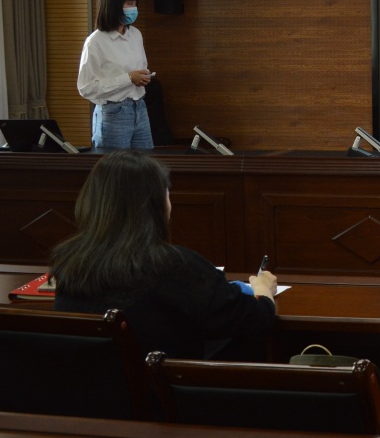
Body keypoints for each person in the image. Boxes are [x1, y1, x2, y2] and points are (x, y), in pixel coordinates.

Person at [52, 151, 277, 358]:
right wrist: (263, 290)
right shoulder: (174, 265)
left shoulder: (68, 263)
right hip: (162, 388)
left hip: (91, 388)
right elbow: (255, 320)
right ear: (157, 204)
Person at [78, 0, 155, 150]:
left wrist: (143, 77)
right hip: (113, 112)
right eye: (129, 4)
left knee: (145, 162)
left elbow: (140, 66)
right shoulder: (95, 41)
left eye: (135, 4)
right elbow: (86, 87)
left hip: (139, 107)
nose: (133, 8)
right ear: (113, 5)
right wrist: (128, 79)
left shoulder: (135, 34)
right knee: (115, 164)